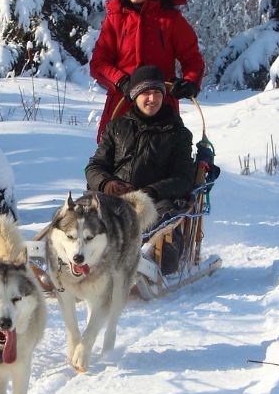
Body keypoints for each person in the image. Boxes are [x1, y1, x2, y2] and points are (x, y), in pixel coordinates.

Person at [85, 65, 198, 277]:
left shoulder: (177, 132)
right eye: (146, 92)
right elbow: (95, 166)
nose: (152, 99)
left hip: (155, 201)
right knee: (79, 214)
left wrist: (151, 192)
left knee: (164, 221)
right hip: (114, 197)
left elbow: (183, 178)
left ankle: (148, 263)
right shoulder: (116, 127)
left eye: (157, 93)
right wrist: (107, 184)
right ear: (135, 95)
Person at [89, 0, 205, 142]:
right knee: (113, 163)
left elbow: (192, 59)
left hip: (161, 108)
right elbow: (99, 64)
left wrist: (189, 82)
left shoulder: (172, 21)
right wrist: (121, 81)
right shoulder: (115, 20)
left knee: (164, 162)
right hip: (121, 107)